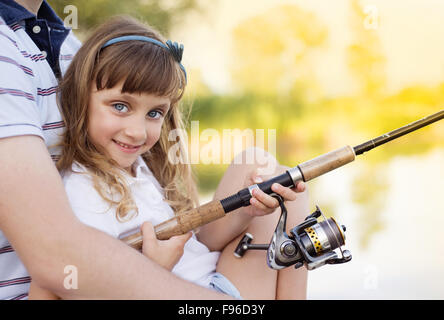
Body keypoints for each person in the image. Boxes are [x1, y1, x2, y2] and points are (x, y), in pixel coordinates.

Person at [27, 15, 309, 300]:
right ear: (79, 98)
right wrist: (152, 270)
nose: (137, 132)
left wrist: (246, 212)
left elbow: (204, 245)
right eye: (121, 106)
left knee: (268, 173)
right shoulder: (82, 194)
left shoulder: (137, 167)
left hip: (213, 280)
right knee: (283, 186)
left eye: (154, 113)